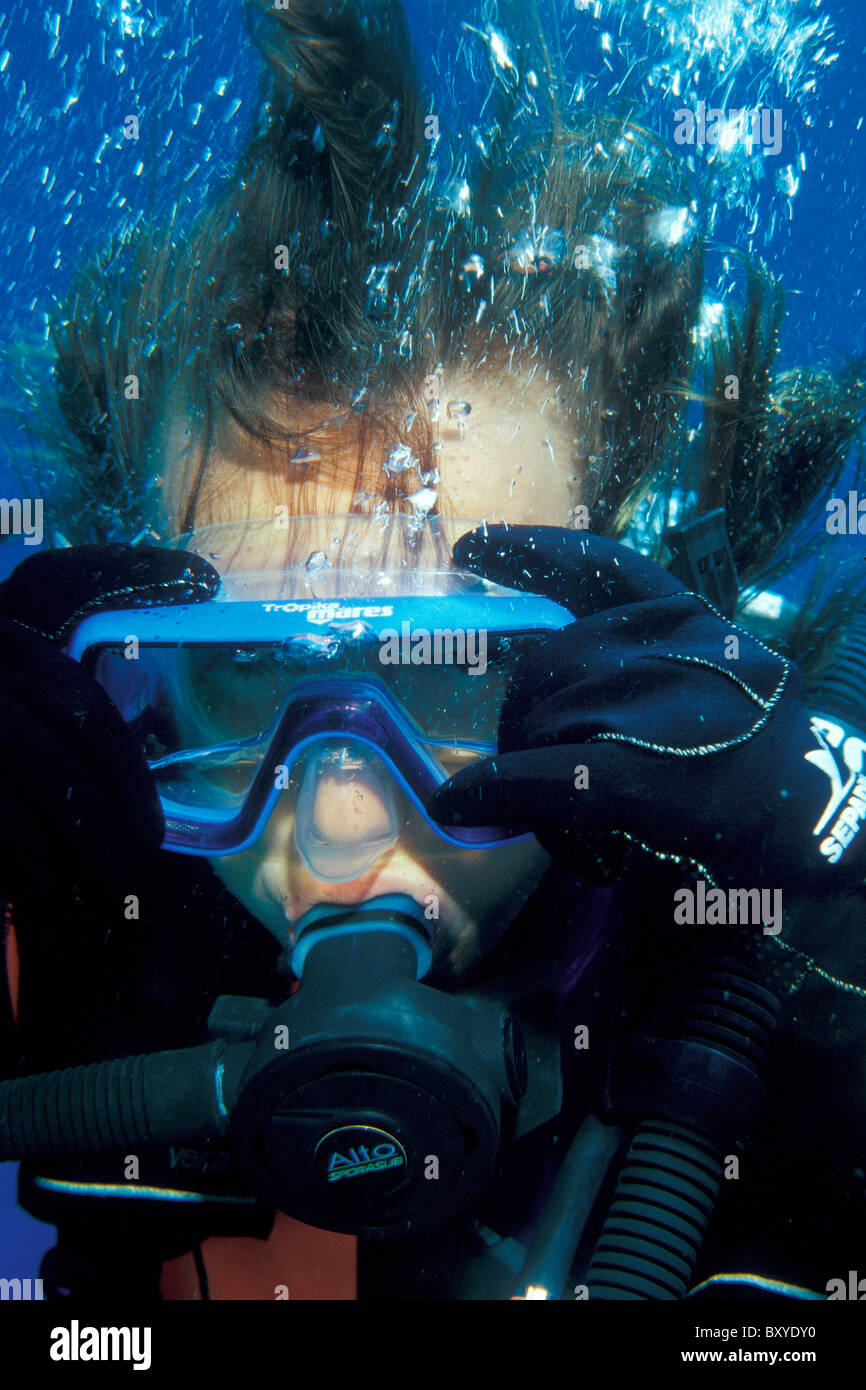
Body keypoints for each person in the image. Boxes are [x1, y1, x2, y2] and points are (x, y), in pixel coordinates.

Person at [1, 0, 865, 1301]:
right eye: (245, 671)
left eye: (460, 665)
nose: (340, 824)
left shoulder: (770, 930)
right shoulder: (86, 916)